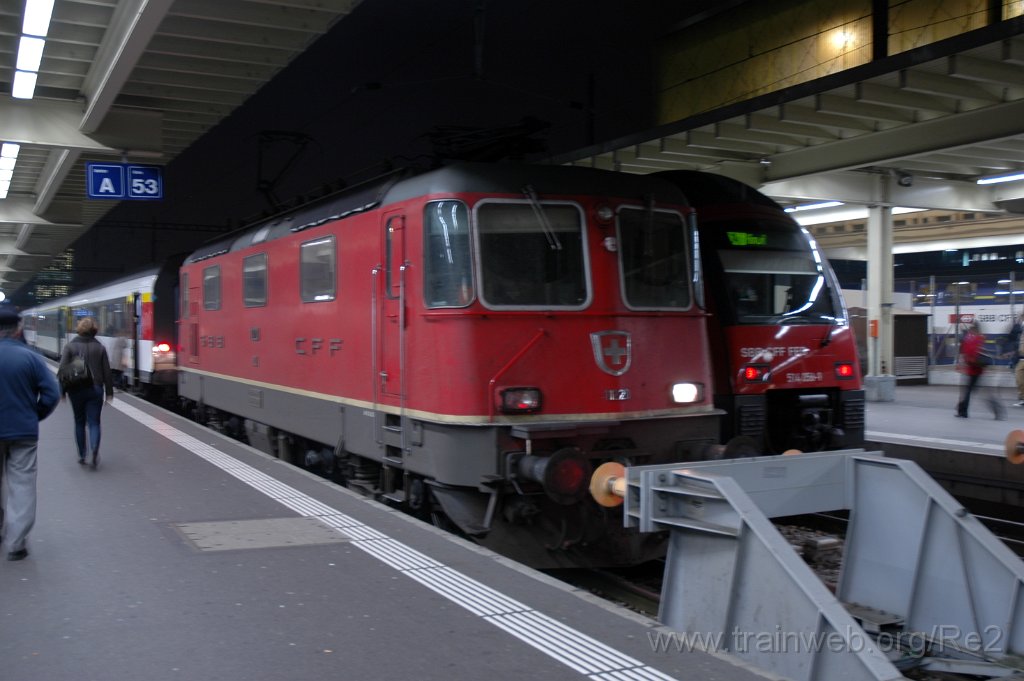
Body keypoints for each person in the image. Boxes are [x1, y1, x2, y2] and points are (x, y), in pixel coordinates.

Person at [0, 301, 60, 561]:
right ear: (17, 329)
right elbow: (52, 394)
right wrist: (34, 415)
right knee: (22, 484)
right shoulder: (31, 358)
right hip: (23, 432)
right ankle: (16, 543)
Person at [58, 317, 114, 468]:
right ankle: (94, 448)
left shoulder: (70, 347)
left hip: (76, 389)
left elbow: (63, 371)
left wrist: (62, 391)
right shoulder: (100, 348)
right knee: (94, 422)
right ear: (94, 330)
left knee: (79, 422)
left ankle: (82, 455)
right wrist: (109, 392)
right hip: (95, 389)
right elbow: (107, 372)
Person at [955, 321, 1003, 420]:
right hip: (978, 369)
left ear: (972, 329)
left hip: (973, 369)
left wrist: (963, 363)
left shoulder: (971, 338)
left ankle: (963, 411)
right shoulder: (980, 338)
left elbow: (967, 352)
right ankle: (962, 410)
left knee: (970, 391)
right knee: (972, 391)